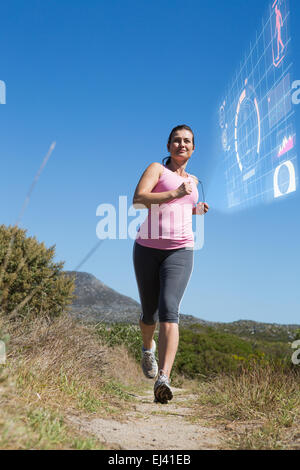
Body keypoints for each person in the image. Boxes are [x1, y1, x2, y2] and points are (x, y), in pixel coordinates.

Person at [132, 124, 209, 404]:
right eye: (176, 140)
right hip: (147, 249)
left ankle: (163, 378)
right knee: (149, 314)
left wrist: (195, 208)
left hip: (180, 250)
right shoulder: (157, 169)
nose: (182, 145)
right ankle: (147, 348)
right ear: (168, 146)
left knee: (169, 309)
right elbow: (138, 200)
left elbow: (181, 207)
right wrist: (175, 194)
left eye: (187, 141)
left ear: (193, 148)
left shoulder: (194, 181)